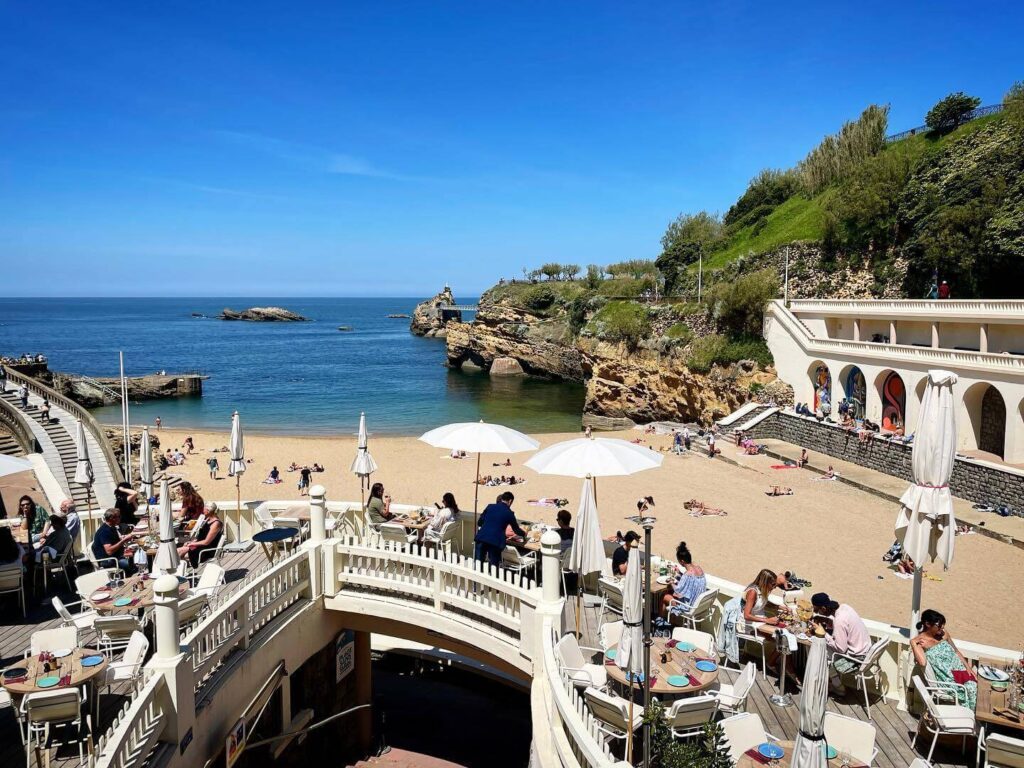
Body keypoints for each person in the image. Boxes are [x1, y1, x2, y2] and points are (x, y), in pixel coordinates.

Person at [910, 608, 976, 709]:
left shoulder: (944, 634)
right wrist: (913, 643)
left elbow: (956, 651)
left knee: (975, 685)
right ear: (928, 624)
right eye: (939, 625)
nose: (942, 627)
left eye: (943, 624)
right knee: (972, 688)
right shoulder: (921, 642)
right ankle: (971, 715)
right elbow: (922, 663)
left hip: (960, 671)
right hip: (948, 678)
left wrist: (968, 668)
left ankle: (972, 714)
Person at [810, 592, 871, 690]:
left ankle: (837, 686)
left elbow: (841, 649)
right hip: (867, 653)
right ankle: (833, 683)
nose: (816, 612)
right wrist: (828, 621)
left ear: (824, 609)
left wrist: (823, 633)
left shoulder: (839, 621)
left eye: (817, 610)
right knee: (827, 647)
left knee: (821, 649)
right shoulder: (845, 608)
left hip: (856, 661)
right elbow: (845, 627)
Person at [475, 491, 524, 567]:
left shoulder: (490, 506)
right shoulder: (509, 513)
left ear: (502, 499)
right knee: (493, 566)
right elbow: (516, 530)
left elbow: (480, 522)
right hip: (495, 541)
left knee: (478, 564)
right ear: (510, 501)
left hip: (482, 537)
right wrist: (524, 533)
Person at [662, 541, 706, 618]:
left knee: (664, 596)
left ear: (682, 561)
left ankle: (662, 621)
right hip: (698, 605)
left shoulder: (687, 574)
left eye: (678, 561)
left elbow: (678, 592)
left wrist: (671, 582)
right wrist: (680, 573)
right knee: (669, 592)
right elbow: (691, 582)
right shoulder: (699, 569)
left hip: (688, 607)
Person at [178, 502, 223, 568]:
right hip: (200, 546)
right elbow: (202, 536)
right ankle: (182, 570)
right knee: (179, 551)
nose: (202, 511)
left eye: (204, 509)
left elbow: (206, 542)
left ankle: (177, 571)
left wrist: (192, 544)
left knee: (179, 552)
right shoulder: (207, 520)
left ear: (208, 511)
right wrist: (191, 542)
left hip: (207, 550)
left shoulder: (216, 524)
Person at [91, 508, 135, 574]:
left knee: (136, 556)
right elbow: (109, 551)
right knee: (134, 564)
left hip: (116, 556)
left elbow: (112, 540)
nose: (120, 518)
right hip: (108, 560)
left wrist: (121, 538)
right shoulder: (104, 532)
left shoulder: (111, 527)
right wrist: (123, 540)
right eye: (119, 516)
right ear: (112, 518)